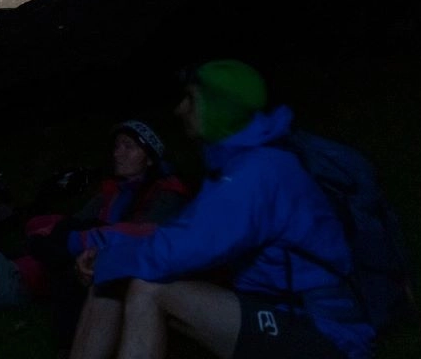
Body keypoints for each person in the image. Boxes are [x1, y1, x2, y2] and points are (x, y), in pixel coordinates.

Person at [72, 60, 375, 359]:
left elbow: (186, 247)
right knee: (124, 277)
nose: (180, 110)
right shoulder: (241, 161)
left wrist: (111, 258)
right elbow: (183, 232)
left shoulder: (256, 173)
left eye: (191, 99)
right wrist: (112, 254)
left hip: (322, 331)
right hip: (277, 306)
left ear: (216, 108)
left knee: (148, 287)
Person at [0, 119, 188, 350]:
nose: (117, 153)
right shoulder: (112, 191)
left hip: (19, 282)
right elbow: (73, 224)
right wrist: (45, 229)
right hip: (25, 264)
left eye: (128, 147)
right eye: (116, 146)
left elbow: (138, 237)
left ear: (149, 158)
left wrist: (59, 237)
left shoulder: (162, 197)